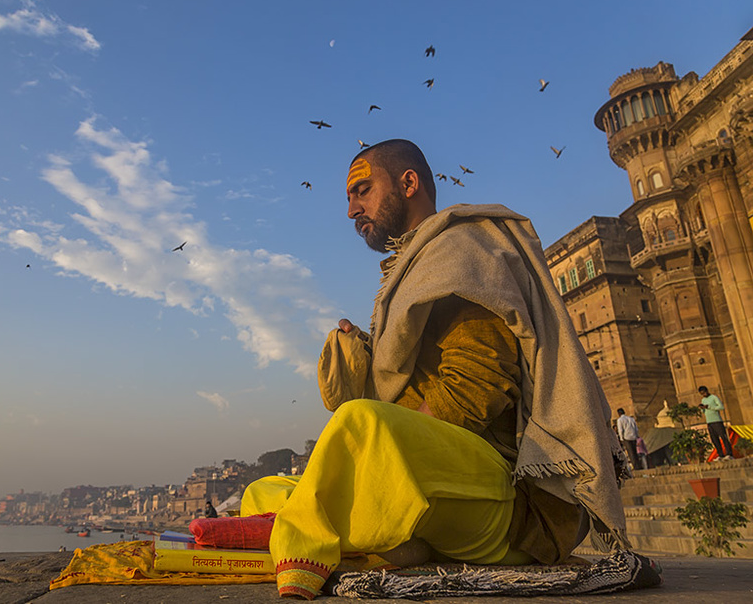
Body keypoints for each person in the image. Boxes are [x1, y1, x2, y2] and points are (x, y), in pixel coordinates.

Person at [240, 140, 630, 599]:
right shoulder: (412, 270)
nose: (351, 209)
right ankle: (389, 541)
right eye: (349, 197)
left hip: (505, 504)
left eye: (362, 190)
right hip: (439, 491)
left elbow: (475, 388)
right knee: (262, 492)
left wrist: (378, 453)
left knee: (359, 424)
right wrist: (364, 352)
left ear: (409, 183)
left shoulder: (463, 251)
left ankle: (344, 544)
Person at [698, 386, 734, 460]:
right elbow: (704, 411)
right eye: (702, 394)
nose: (704, 395)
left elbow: (721, 407)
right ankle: (720, 454)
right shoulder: (703, 400)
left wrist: (710, 407)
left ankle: (729, 453)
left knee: (723, 437)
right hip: (709, 422)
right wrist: (702, 408)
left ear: (707, 391)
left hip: (717, 421)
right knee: (714, 439)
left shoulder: (714, 397)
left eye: (704, 393)